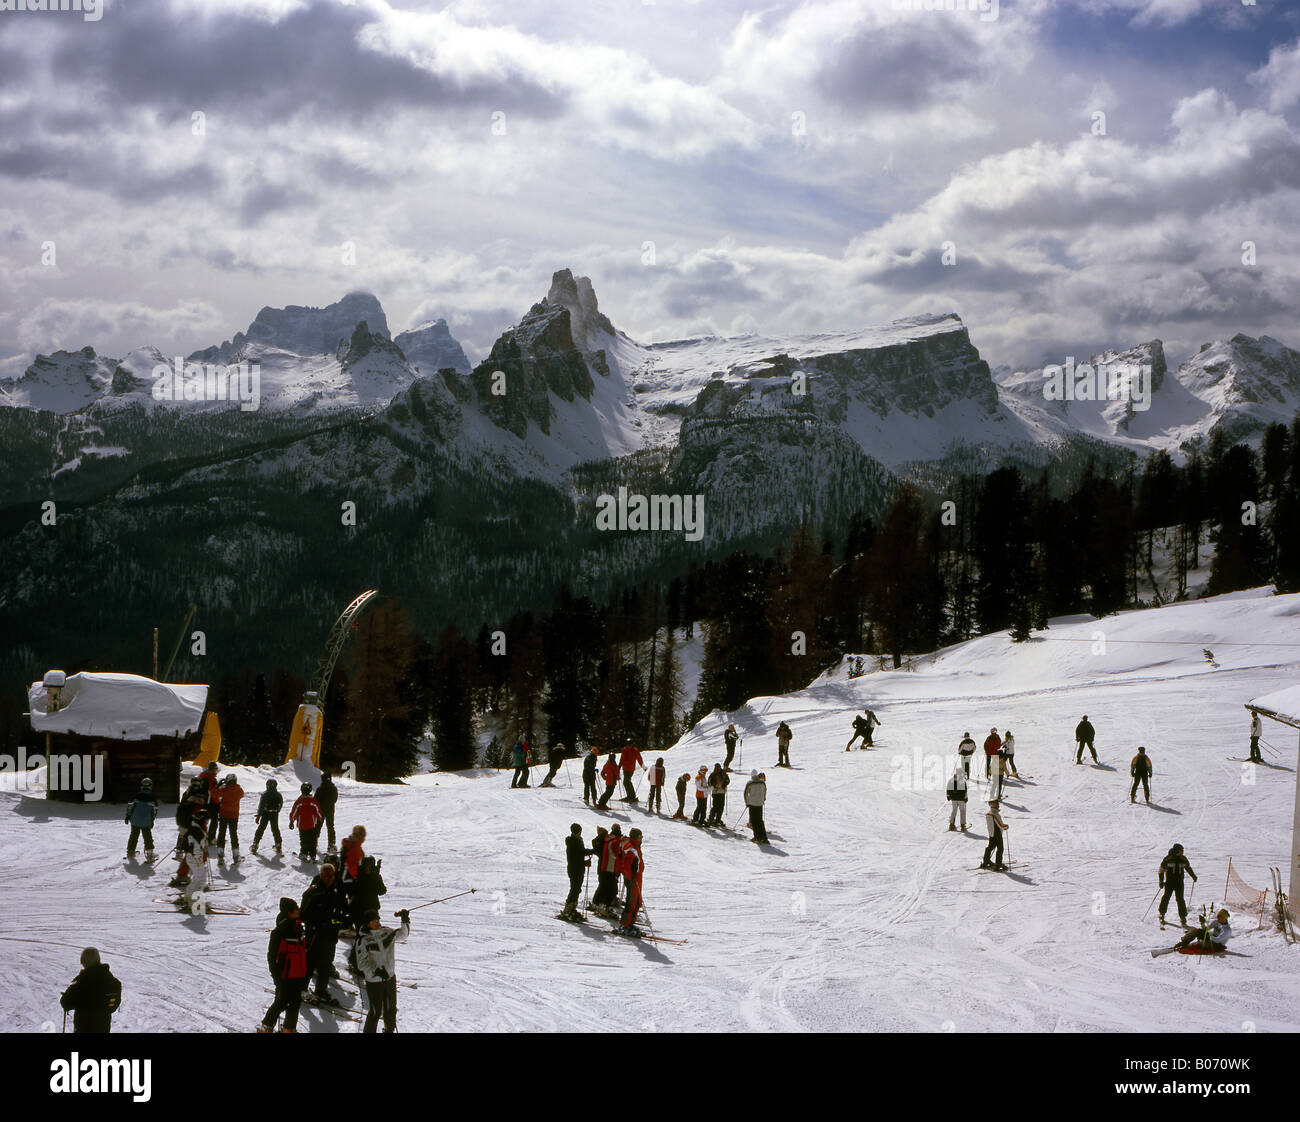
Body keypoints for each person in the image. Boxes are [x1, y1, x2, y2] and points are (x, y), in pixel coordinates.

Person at [354, 909, 410, 1033]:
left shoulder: (387, 932)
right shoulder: (363, 940)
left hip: (390, 977)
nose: (377, 922)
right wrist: (376, 971)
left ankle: (389, 1030)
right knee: (375, 1011)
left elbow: (403, 935)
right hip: (374, 981)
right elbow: (361, 964)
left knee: (390, 1009)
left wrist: (404, 920)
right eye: (374, 921)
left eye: (378, 919)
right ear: (367, 923)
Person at [301, 863, 347, 1005]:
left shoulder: (337, 892)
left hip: (330, 936)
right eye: (325, 876)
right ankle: (302, 989)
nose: (328, 878)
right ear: (321, 875)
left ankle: (321, 990)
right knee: (309, 964)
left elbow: (344, 911)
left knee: (326, 965)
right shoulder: (312, 892)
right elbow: (303, 915)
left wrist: (337, 923)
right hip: (314, 936)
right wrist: (315, 924)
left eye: (330, 876)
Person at [261, 897, 309, 1033]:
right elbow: (271, 957)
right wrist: (276, 978)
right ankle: (266, 1027)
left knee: (295, 1003)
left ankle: (288, 1029)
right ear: (289, 912)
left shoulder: (298, 927)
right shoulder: (280, 932)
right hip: (285, 976)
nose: (299, 910)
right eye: (296, 908)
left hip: (299, 973)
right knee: (281, 1002)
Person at [60, 948, 121, 1034]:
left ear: (84, 961)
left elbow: (66, 1003)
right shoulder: (113, 982)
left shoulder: (83, 981)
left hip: (84, 1028)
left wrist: (67, 995)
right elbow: (113, 1006)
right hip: (103, 1027)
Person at [1158, 844, 1197, 926]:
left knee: (1180, 899)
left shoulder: (1183, 859)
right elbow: (1161, 870)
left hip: (1179, 882)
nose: (1182, 852)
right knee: (1166, 897)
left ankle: (1183, 917)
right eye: (1181, 851)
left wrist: (1193, 876)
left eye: (1182, 851)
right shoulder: (1168, 859)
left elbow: (1188, 868)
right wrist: (1161, 881)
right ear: (1176, 851)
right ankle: (1162, 913)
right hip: (1169, 882)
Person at [176, 819, 211, 908]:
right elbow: (196, 846)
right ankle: (194, 903)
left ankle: (188, 897)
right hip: (195, 858)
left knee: (198, 878)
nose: (207, 822)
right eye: (207, 820)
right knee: (200, 879)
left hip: (191, 857)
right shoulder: (198, 831)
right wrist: (199, 860)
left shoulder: (194, 828)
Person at [561, 823, 592, 921]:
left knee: (576, 889)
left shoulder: (575, 841)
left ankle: (571, 909)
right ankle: (568, 909)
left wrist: (584, 862)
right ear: (579, 831)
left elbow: (578, 856)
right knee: (575, 889)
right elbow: (579, 854)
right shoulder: (574, 842)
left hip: (576, 868)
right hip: (575, 869)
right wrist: (592, 852)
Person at [349, 855, 387, 934]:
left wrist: (376, 879)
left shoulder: (375, 876)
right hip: (359, 909)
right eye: (365, 866)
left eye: (369, 866)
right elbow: (351, 891)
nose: (367, 868)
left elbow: (382, 891)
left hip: (372, 908)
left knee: (374, 933)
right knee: (360, 932)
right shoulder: (357, 877)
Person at [617, 829, 645, 936]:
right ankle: (625, 924)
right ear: (637, 837)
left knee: (637, 902)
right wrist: (631, 877)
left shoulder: (636, 846)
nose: (642, 838)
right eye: (641, 836)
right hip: (633, 879)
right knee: (631, 902)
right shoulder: (632, 848)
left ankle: (630, 923)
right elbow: (626, 865)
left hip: (637, 878)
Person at [124, 777, 158, 860]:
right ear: (151, 786)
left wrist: (127, 816)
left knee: (134, 835)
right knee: (147, 836)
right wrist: (152, 820)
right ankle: (150, 853)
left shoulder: (135, 796)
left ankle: (130, 852)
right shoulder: (153, 799)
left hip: (135, 820)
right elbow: (154, 812)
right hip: (146, 821)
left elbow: (130, 808)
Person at [213, 773, 244, 862]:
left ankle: (220, 854)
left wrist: (218, 785)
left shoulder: (224, 790)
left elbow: (213, 794)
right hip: (234, 815)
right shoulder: (239, 790)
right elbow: (242, 794)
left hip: (223, 814)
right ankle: (236, 855)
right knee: (233, 834)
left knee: (221, 833)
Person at [290, 783, 323, 861]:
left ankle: (304, 854)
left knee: (304, 840)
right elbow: (318, 811)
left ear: (301, 790)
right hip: (312, 824)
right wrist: (320, 818)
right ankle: (312, 855)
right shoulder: (313, 801)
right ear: (310, 790)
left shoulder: (299, 801)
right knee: (312, 840)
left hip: (302, 824)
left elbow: (294, 812)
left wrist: (292, 820)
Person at [251, 778, 283, 855]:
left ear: (267, 785)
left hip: (266, 813)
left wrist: (259, 815)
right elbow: (280, 804)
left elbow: (261, 806)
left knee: (261, 828)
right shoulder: (278, 795)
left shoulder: (265, 794)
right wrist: (277, 811)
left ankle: (255, 844)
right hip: (274, 813)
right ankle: (278, 844)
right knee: (275, 828)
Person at [980, 799, 1008, 870]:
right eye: (996, 803)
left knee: (990, 847)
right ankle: (998, 865)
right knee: (1000, 849)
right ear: (993, 805)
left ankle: (986, 861)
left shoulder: (989, 813)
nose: (998, 804)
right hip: (997, 834)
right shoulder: (994, 814)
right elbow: (1000, 825)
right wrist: (1006, 826)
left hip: (991, 833)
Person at [316, 769, 339, 854]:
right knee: (330, 827)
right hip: (330, 809)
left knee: (318, 826)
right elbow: (335, 799)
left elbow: (316, 800)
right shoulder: (333, 788)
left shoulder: (320, 789)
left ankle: (314, 843)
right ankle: (331, 845)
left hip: (321, 810)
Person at [743, 769, 768, 844]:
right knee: (760, 820)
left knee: (754, 821)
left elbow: (745, 793)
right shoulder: (762, 782)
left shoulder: (750, 783)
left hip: (752, 804)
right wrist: (763, 799)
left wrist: (747, 803)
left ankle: (757, 837)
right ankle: (764, 837)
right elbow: (765, 791)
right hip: (760, 804)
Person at [946, 766, 968, 831]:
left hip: (954, 799)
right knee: (962, 811)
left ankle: (951, 824)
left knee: (954, 810)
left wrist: (948, 796)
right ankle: (963, 825)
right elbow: (965, 791)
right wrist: (966, 798)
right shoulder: (962, 780)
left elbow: (948, 788)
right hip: (961, 799)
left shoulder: (951, 780)